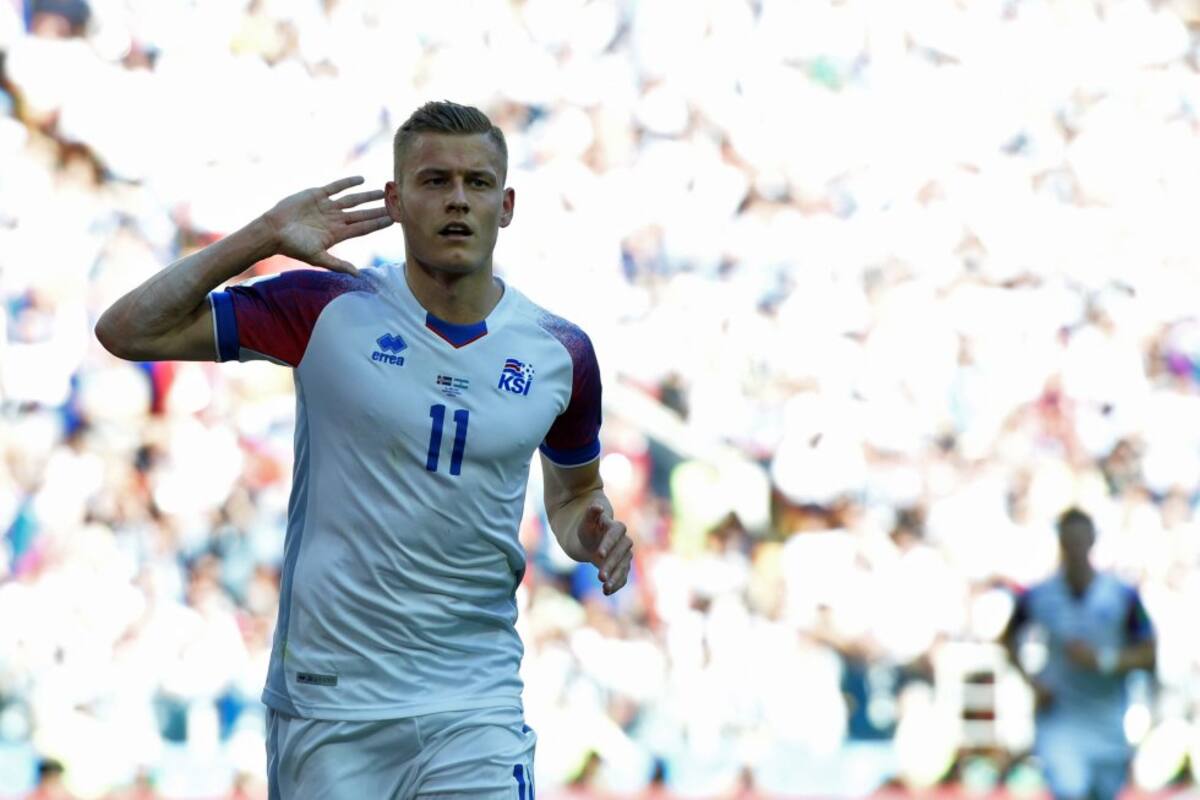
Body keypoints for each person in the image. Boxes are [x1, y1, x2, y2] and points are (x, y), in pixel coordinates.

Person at [96, 100, 635, 799]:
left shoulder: (560, 352)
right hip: (331, 704)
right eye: (434, 181)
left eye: (476, 183)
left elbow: (575, 494)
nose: (458, 200)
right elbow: (127, 331)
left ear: (505, 206)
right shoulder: (326, 308)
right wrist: (261, 236)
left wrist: (590, 531)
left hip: (474, 703)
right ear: (395, 201)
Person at [1001, 508, 1156, 800]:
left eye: (1080, 539)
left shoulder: (1121, 595)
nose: (1075, 548)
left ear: (1092, 540)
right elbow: (1008, 638)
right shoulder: (1040, 595)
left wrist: (1103, 661)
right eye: (1069, 540)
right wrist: (1033, 683)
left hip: (1107, 717)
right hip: (1060, 717)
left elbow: (1150, 653)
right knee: (1071, 790)